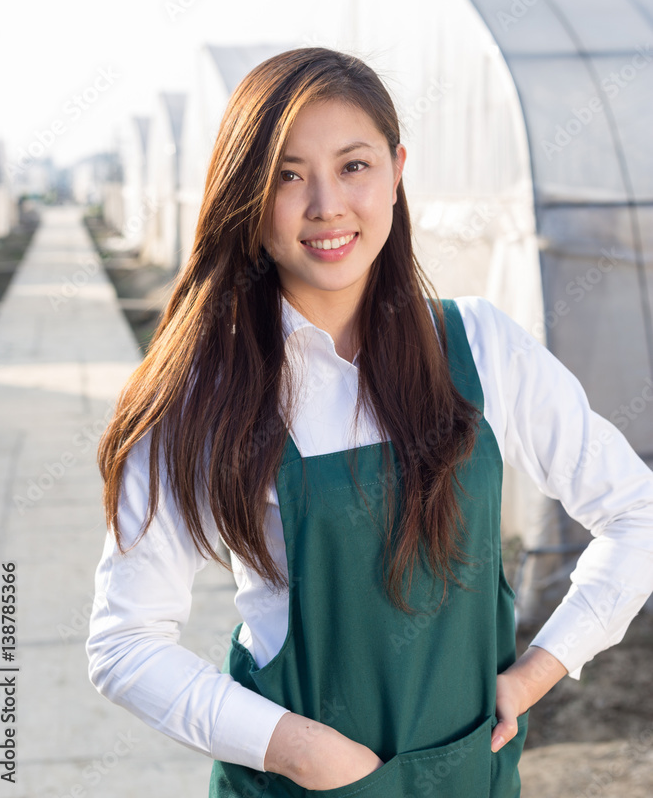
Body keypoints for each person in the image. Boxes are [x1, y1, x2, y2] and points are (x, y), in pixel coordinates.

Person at [86, 46, 653, 797]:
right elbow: (125, 643)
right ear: (244, 198)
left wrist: (536, 671)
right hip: (302, 786)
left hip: (468, 776)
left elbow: (634, 513)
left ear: (396, 170)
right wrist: (298, 750)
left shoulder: (482, 347)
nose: (326, 204)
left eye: (353, 166)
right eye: (287, 175)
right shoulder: (206, 395)